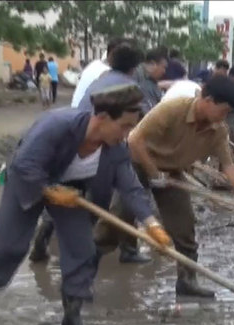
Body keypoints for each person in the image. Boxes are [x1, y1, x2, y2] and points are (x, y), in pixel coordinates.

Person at [0, 83, 172, 325]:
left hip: (72, 191)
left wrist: (152, 224)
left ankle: (72, 319)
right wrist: (49, 191)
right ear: (102, 117)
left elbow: (130, 188)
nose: (128, 133)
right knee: (9, 246)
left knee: (82, 250)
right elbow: (26, 165)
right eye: (125, 126)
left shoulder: (116, 147)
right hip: (28, 180)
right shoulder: (56, 126)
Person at [106, 75, 234, 298]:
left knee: (184, 227)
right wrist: (153, 172)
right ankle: (84, 271)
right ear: (207, 99)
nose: (223, 118)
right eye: (223, 111)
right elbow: (135, 140)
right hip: (138, 163)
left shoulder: (218, 130)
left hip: (172, 172)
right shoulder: (173, 109)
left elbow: (228, 165)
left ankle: (187, 281)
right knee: (117, 220)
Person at [30, 40, 148, 264]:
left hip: (75, 134)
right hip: (100, 141)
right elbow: (139, 122)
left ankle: (46, 236)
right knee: (119, 192)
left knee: (68, 189)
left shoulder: (99, 76)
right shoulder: (128, 89)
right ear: (135, 68)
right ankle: (110, 250)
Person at [134, 49, 168, 116]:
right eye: (163, 67)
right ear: (152, 64)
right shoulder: (140, 82)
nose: (164, 71)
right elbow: (150, 113)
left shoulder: (151, 81)